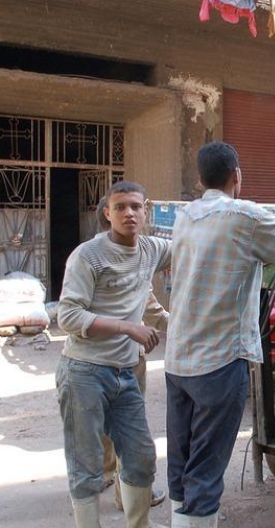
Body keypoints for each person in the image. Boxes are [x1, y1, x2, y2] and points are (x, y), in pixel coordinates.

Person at [165, 141, 275, 528]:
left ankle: (182, 519)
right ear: (237, 177)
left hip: (177, 360)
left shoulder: (185, 216)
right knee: (207, 465)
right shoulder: (245, 217)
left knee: (182, 459)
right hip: (218, 362)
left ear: (200, 179)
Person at [57, 181, 171, 528]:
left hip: (126, 373)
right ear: (107, 213)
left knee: (140, 457)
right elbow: (68, 317)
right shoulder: (88, 255)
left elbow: (192, 249)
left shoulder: (152, 249)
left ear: (146, 210)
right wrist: (127, 328)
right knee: (87, 465)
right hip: (84, 371)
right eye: (120, 207)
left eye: (136, 206)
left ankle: (138, 523)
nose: (129, 213)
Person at [94, 197, 167, 511]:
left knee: (102, 418)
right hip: (125, 355)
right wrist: (181, 327)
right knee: (129, 424)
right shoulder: (130, 258)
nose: (134, 216)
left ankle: (102, 474)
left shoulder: (87, 255)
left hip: (92, 357)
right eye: (126, 209)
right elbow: (151, 309)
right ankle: (130, 494)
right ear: (110, 216)